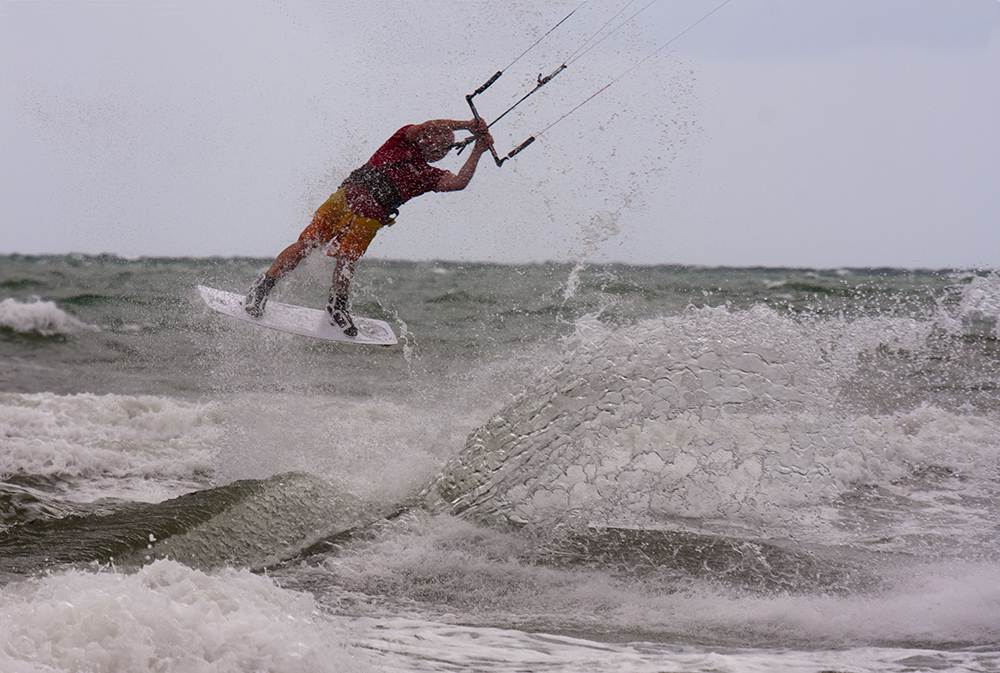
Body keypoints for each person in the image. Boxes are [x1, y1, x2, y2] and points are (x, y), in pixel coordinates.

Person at [244, 118, 494, 336]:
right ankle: (262, 287)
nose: (440, 149)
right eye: (438, 142)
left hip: (371, 217)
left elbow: (459, 182)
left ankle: (337, 308)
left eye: (445, 147)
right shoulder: (402, 140)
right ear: (426, 138)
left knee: (347, 261)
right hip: (345, 199)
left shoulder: (429, 175)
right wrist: (466, 125)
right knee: (307, 244)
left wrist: (478, 150)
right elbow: (428, 126)